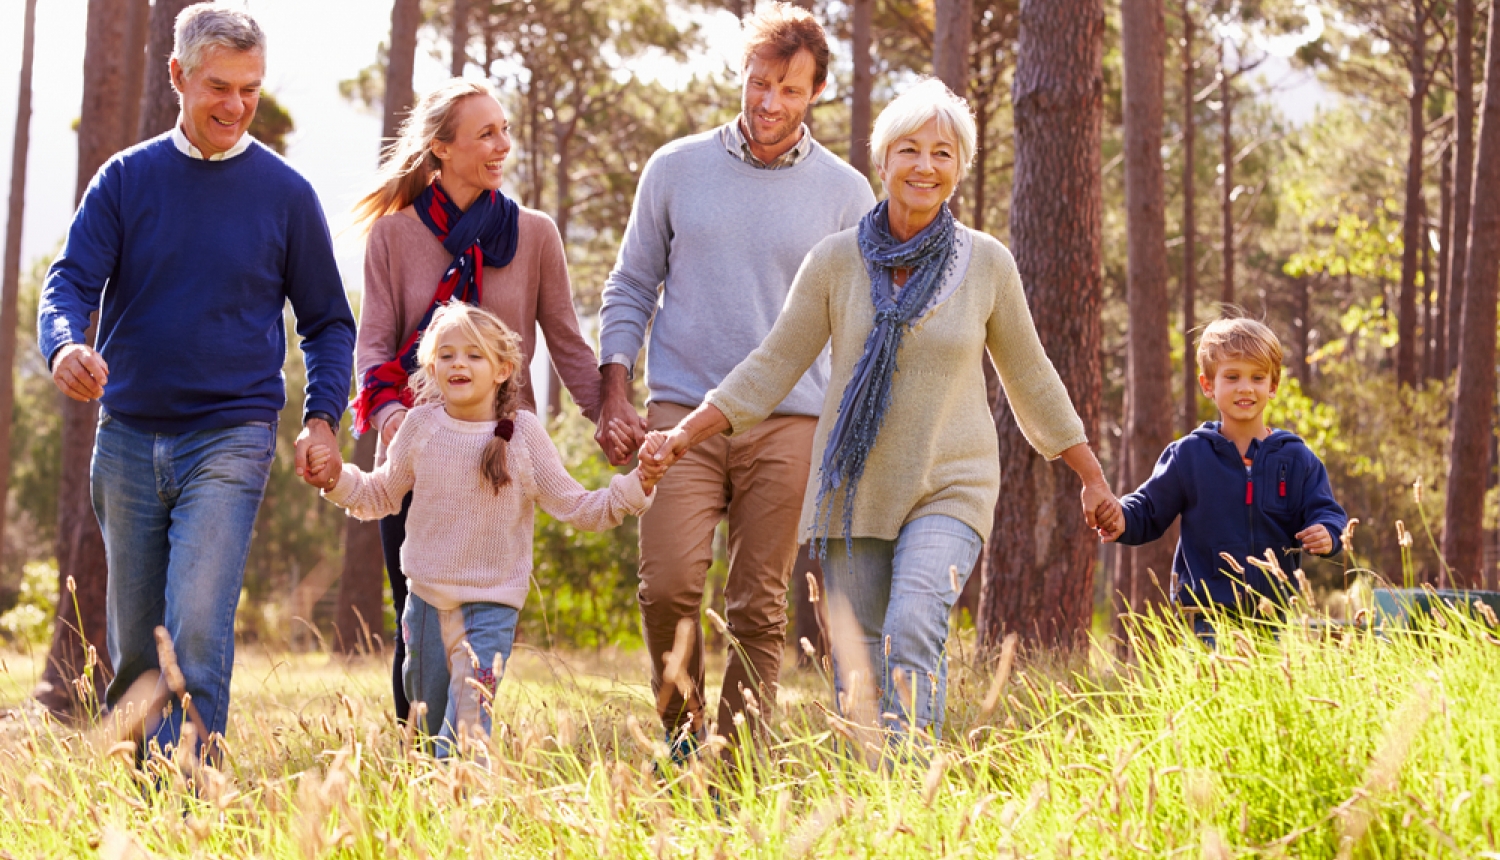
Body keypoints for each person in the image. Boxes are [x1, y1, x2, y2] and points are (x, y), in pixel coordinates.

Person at [643, 79, 1119, 741]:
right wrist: (686, 431)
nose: (925, 166)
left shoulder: (987, 263)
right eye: (909, 150)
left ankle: (910, 793)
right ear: (883, 160)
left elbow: (1031, 376)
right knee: (860, 663)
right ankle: (876, 800)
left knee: (913, 625)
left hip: (951, 484)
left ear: (960, 167)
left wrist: (1090, 475)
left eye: (943, 153)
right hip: (856, 489)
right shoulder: (835, 262)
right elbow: (774, 364)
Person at [37, 3, 355, 759]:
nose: (236, 105)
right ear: (177, 76)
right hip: (127, 439)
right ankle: (144, 796)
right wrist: (61, 348)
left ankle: (193, 794)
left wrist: (320, 418)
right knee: (139, 642)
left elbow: (328, 322)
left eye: (250, 89)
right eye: (219, 86)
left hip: (232, 433)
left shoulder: (286, 195)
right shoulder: (126, 179)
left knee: (198, 626)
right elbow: (69, 283)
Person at [595, 2, 876, 750]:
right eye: (758, 84)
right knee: (669, 585)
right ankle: (682, 737)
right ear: (742, 77)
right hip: (680, 414)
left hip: (790, 420)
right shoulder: (675, 168)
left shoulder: (847, 194)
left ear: (815, 91)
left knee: (758, 606)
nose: (768, 103)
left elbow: (860, 321)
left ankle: (739, 759)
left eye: (788, 89)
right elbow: (630, 284)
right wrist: (614, 390)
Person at [348, 78, 606, 726]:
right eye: (486, 133)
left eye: (505, 130)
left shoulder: (535, 235)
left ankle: (466, 746)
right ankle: (418, 752)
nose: (502, 145)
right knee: (417, 612)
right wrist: (396, 421)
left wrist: (610, 416)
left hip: (500, 453)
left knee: (486, 612)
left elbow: (569, 342)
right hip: (420, 449)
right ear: (441, 147)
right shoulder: (393, 236)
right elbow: (374, 344)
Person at [305, 304, 658, 755]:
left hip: (490, 610)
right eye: (447, 355)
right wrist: (336, 479)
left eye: (474, 355)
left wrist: (637, 485)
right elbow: (380, 495)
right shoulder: (420, 427)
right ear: (432, 366)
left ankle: (466, 810)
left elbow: (579, 507)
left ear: (502, 369)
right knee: (428, 732)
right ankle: (435, 816)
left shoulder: (522, 437)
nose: (458, 364)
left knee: (466, 732)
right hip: (427, 608)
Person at [1103, 318, 1347, 634]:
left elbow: (1328, 513)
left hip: (1272, 619)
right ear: (1208, 385)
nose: (1245, 387)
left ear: (1273, 386)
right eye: (1232, 377)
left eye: (1257, 377)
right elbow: (1147, 510)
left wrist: (1327, 532)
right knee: (1210, 684)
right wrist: (1119, 518)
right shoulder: (1188, 456)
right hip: (1203, 617)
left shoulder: (1297, 458)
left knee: (1268, 684)